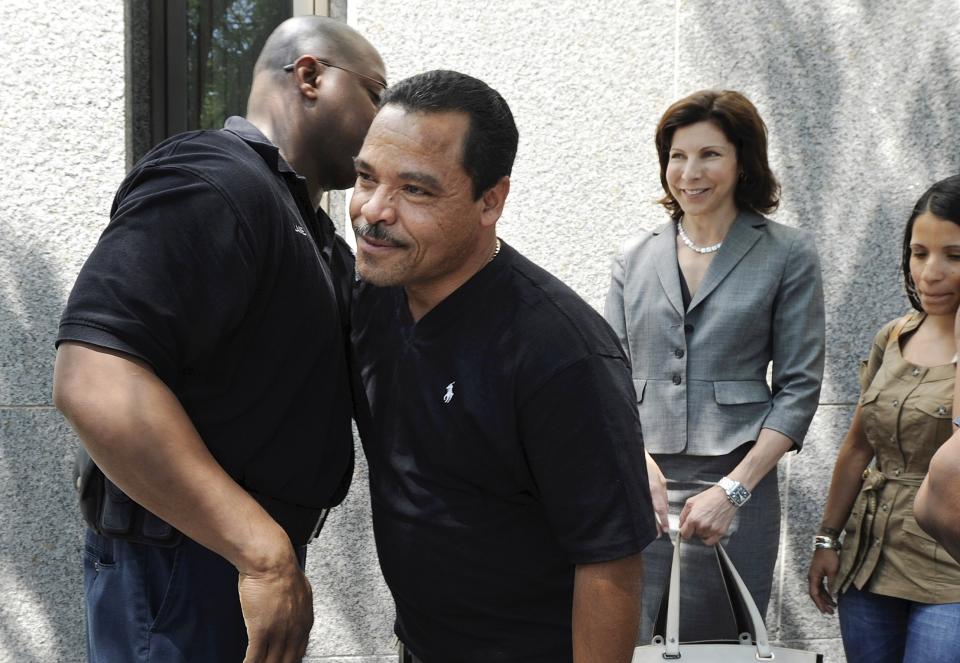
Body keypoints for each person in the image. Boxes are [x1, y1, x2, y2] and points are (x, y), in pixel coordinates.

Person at [52, 17, 385, 663]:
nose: (387, 114)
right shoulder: (216, 178)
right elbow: (93, 378)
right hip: (184, 568)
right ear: (310, 75)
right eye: (376, 90)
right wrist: (262, 557)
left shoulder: (310, 232)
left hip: (224, 562)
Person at [349, 70, 658, 663]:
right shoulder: (373, 292)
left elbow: (611, 564)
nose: (373, 210)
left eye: (414, 190)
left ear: (490, 199)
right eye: (366, 177)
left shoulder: (558, 351)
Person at [604, 89, 825, 642]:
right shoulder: (633, 257)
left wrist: (735, 489)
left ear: (743, 161)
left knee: (716, 644)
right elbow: (605, 377)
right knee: (624, 640)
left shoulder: (787, 253)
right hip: (638, 481)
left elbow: (799, 387)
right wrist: (637, 465)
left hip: (736, 481)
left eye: (710, 154)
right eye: (678, 156)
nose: (690, 171)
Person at [808, 175, 960, 663]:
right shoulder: (893, 336)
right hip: (871, 561)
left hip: (948, 571)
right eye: (919, 253)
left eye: (954, 256)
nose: (930, 273)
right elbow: (857, 445)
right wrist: (826, 538)